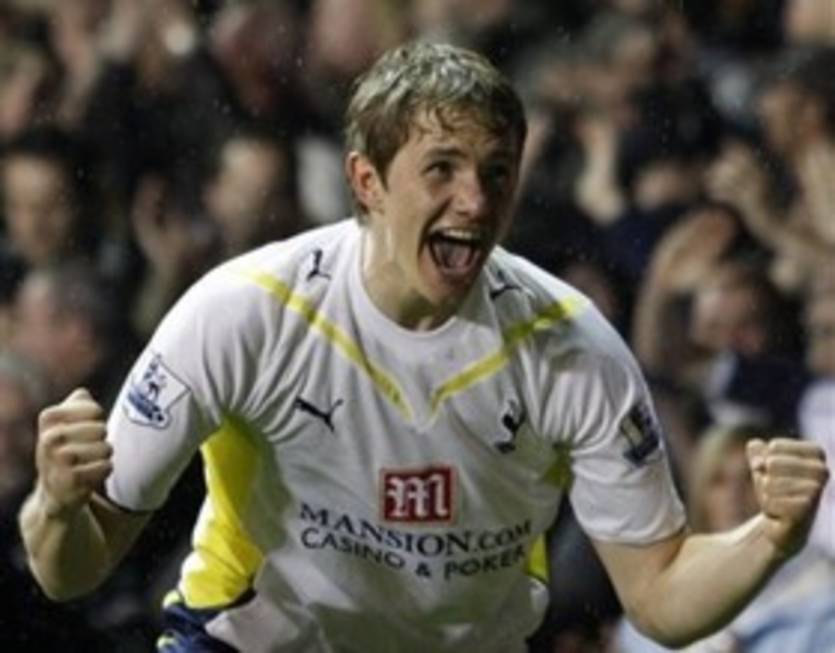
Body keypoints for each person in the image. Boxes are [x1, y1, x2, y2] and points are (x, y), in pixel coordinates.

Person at [18, 42, 829, 653]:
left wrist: (769, 535)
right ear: (366, 181)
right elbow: (70, 570)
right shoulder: (243, 314)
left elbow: (659, 599)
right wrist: (56, 504)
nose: (474, 200)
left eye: (495, 171)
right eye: (441, 168)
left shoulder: (572, 348)